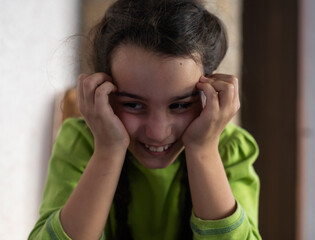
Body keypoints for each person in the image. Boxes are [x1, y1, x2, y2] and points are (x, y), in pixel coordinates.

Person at [29, 0, 261, 239]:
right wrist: (108, 150)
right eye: (133, 104)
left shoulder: (229, 150)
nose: (157, 132)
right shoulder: (81, 142)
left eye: (180, 105)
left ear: (209, 95)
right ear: (103, 93)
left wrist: (203, 150)